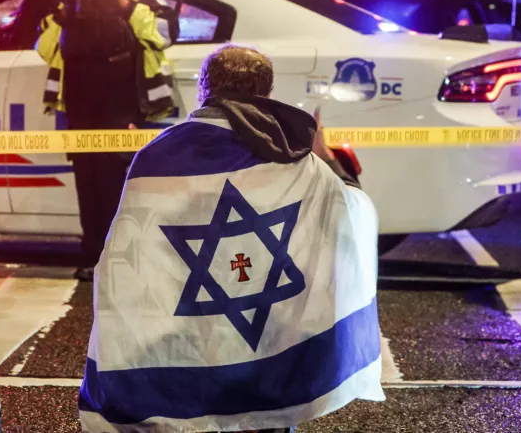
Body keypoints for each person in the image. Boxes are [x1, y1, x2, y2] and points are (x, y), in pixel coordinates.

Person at [78, 45, 384, 432]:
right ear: (267, 94)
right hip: (268, 341)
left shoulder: (159, 157)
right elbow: (349, 213)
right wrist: (328, 157)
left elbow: (126, 258)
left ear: (204, 90)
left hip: (191, 338)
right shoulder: (296, 159)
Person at [35, 0, 176, 282]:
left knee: (115, 178)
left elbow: (167, 31)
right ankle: (92, 255)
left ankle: (119, 258)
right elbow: (46, 45)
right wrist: (59, 18)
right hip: (79, 97)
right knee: (86, 179)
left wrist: (127, 8)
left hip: (120, 97)